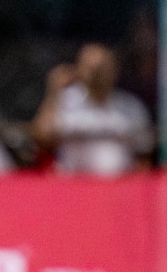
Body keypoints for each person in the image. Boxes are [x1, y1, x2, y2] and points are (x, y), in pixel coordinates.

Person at [31, 42, 153, 176]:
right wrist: (53, 93)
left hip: (118, 186)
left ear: (114, 69)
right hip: (72, 185)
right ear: (78, 68)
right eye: (91, 68)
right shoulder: (65, 100)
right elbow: (42, 138)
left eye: (102, 68)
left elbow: (143, 156)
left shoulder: (131, 107)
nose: (97, 74)